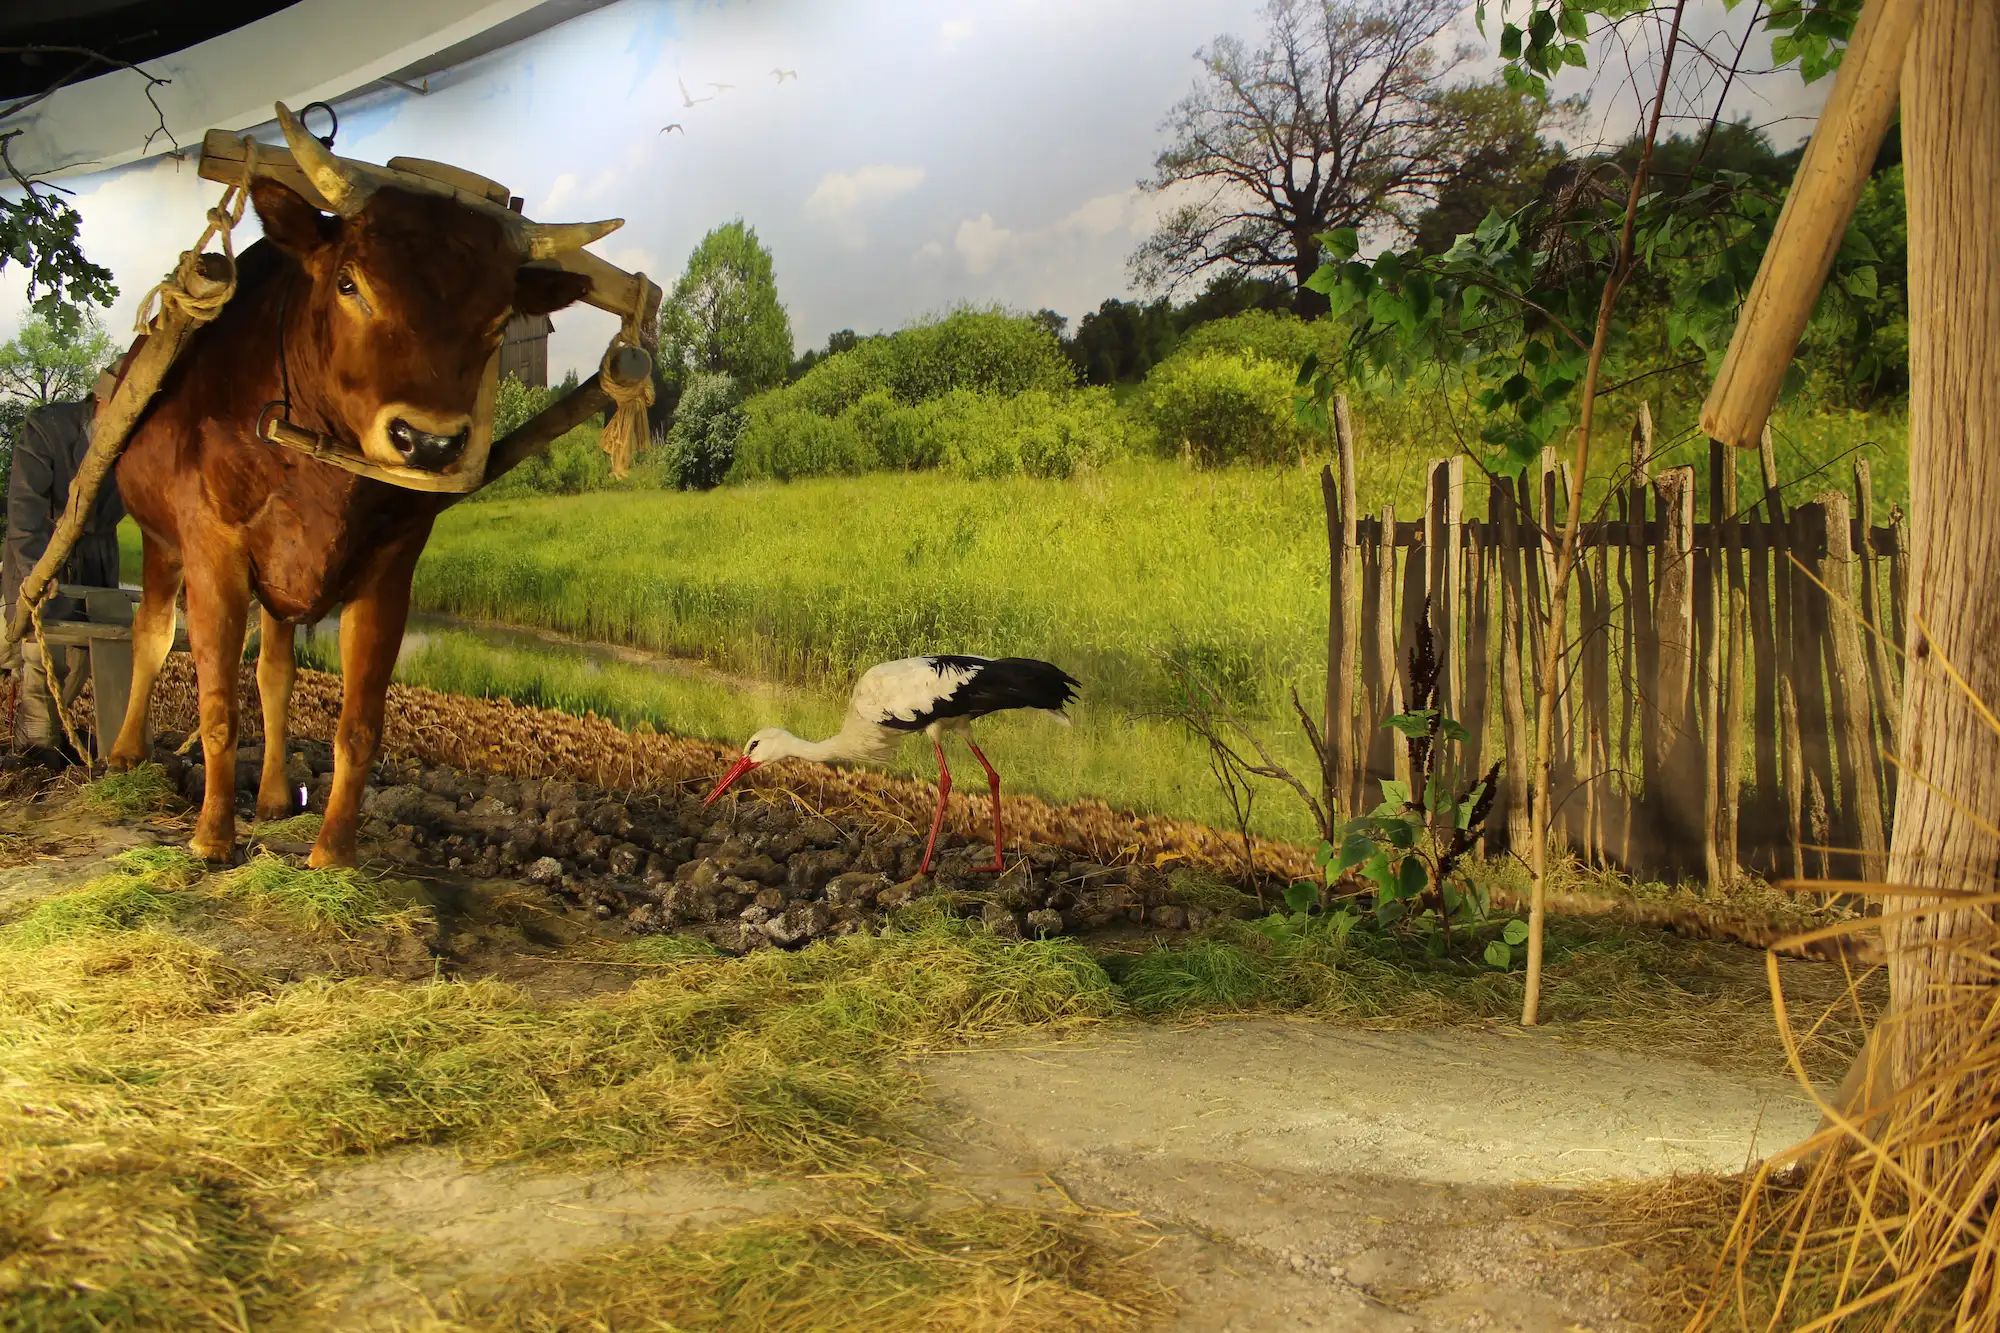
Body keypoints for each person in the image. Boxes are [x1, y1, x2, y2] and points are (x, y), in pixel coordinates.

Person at [2, 365, 127, 755]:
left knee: (85, 657)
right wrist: (36, 569)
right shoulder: (48, 426)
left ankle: (50, 737)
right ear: (101, 397)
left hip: (97, 558)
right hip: (46, 546)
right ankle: (33, 748)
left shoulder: (138, 441)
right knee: (39, 655)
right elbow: (25, 507)